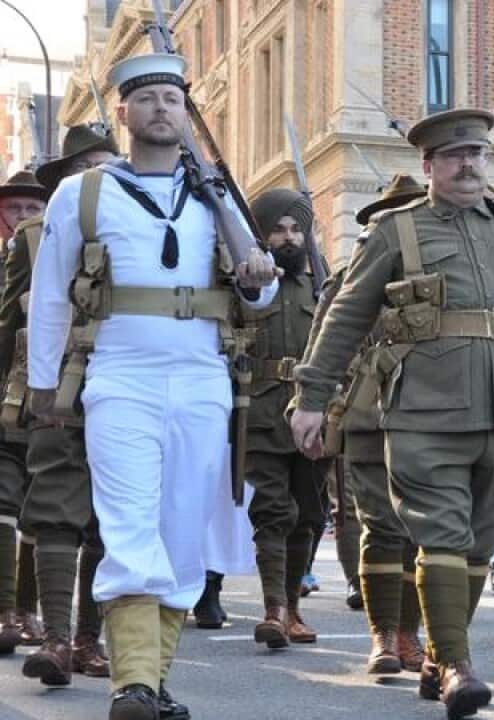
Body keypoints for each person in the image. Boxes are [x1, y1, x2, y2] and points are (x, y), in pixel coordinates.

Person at [290, 108, 494, 719]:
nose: (468, 165)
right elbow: (345, 317)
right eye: (454, 156)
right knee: (441, 533)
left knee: (479, 544)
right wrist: (312, 396)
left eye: (477, 154)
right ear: (429, 167)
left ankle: (442, 656)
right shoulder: (396, 232)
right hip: (423, 408)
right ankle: (457, 665)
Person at [26, 53, 279, 720]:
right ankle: (131, 685)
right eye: (147, 98)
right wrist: (45, 384)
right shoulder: (81, 194)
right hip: (119, 380)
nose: (161, 108)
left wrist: (259, 272)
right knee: (130, 522)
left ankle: (153, 682)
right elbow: (49, 295)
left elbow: (262, 290)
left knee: (181, 531)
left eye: (172, 97)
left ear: (186, 112)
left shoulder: (217, 194)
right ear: (123, 114)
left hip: (203, 382)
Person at [0, 125, 119, 685]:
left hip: (122, 385)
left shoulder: (142, 225)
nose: (97, 177)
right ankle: (54, 638)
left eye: (106, 165)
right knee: (53, 508)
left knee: (103, 519)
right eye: (85, 167)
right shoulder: (32, 234)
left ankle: (88, 640)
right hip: (54, 386)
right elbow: (8, 323)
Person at [302, 173, 430, 675]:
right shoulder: (348, 277)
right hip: (368, 410)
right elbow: (324, 341)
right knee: (379, 524)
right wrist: (312, 403)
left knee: (422, 528)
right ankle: (383, 636)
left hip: (430, 410)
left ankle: (410, 634)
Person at [241, 187, 328, 650]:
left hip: (313, 411)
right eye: (278, 229)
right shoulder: (247, 280)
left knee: (309, 513)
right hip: (261, 409)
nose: (289, 238)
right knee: (272, 511)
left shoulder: (324, 283)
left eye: (297, 229)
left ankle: (293, 607)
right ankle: (274, 608)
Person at [0, 168, 49, 654]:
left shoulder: (56, 260)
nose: (23, 217)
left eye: (33, 209)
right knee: (3, 505)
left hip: (45, 403)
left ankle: (26, 609)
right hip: (4, 401)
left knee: (40, 510)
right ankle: (4, 613)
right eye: (15, 209)